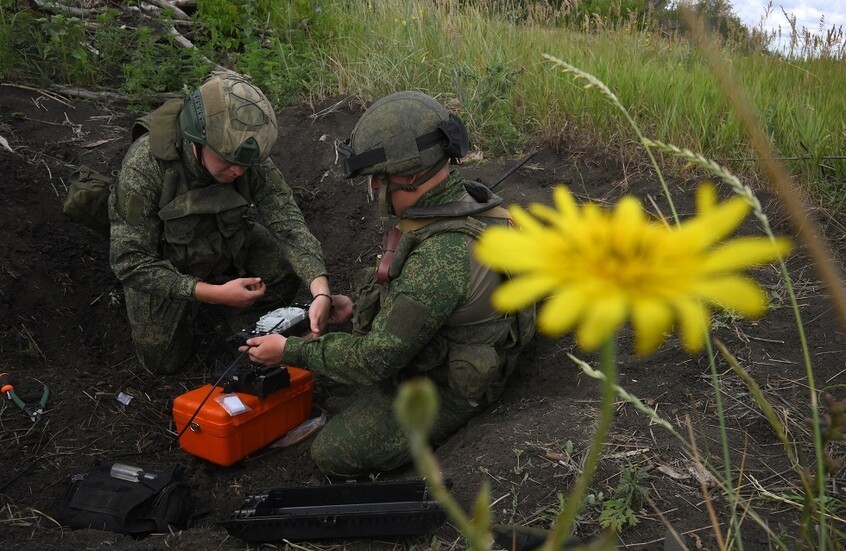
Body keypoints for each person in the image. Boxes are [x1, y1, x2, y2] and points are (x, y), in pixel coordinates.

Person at [241, 91, 536, 478]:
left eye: (379, 180)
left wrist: (288, 350)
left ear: (409, 176)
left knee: (332, 451)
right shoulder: (468, 203)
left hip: (449, 385)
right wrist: (355, 306)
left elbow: (374, 359)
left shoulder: (442, 255)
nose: (375, 189)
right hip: (439, 345)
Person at [109, 72, 331, 374]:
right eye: (228, 161)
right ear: (198, 141)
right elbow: (129, 261)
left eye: (245, 165)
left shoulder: (245, 157)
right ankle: (206, 303)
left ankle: (242, 330)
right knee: (162, 361)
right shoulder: (146, 165)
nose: (238, 172)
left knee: (286, 266)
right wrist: (210, 293)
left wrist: (320, 289)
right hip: (166, 262)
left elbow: (287, 222)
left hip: (226, 242)